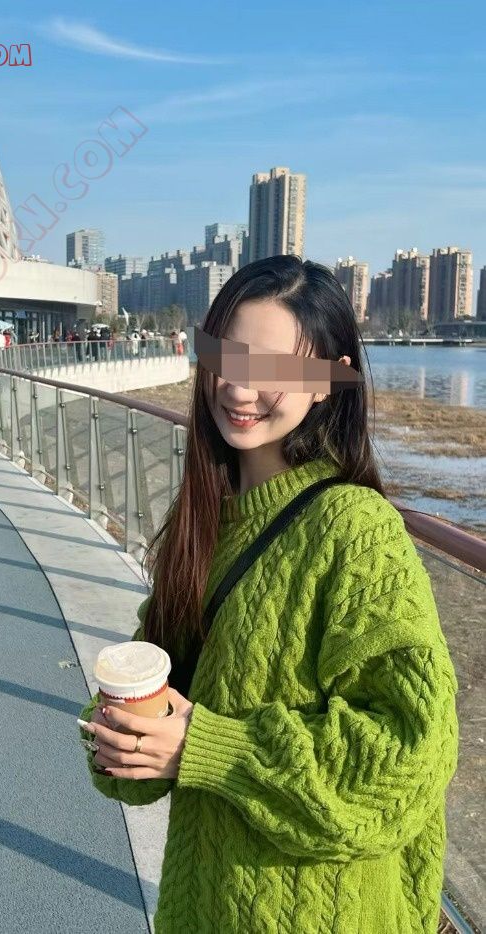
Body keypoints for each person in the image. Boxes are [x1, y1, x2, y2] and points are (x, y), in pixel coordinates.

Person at [79, 255, 458, 933]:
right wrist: (122, 738)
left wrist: (205, 747)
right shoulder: (205, 522)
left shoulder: (355, 530)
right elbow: (155, 725)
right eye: (225, 356)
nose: (238, 386)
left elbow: (411, 754)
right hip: (200, 907)